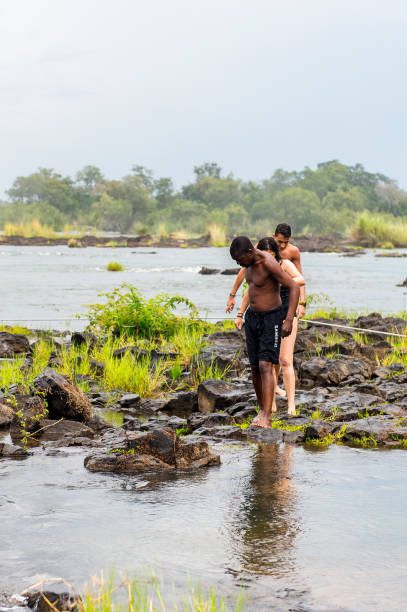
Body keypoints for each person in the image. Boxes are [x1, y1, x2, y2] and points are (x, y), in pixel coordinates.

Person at [226, 223, 306, 395]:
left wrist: (302, 303)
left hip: (283, 308)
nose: (282, 245)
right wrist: (234, 298)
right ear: (273, 237)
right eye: (279, 241)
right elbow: (248, 283)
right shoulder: (254, 255)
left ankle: (288, 403)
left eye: (286, 242)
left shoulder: (289, 256)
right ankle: (270, 398)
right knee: (264, 362)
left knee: (284, 359)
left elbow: (298, 281)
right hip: (258, 314)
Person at [229, 236, 299, 428]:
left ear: (250, 253)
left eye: (239, 259)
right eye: (235, 261)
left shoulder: (268, 263)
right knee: (254, 367)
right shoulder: (248, 264)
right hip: (253, 318)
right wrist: (240, 312)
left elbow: (293, 286)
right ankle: (262, 410)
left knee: (266, 365)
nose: (238, 263)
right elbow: (248, 289)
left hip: (271, 318)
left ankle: (267, 417)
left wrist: (289, 319)